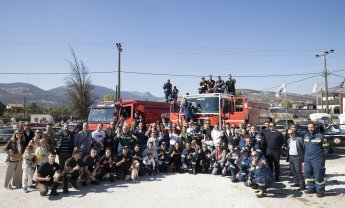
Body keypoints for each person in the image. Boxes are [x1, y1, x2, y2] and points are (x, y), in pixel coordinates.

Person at [303, 122, 327, 197]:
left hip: (318, 160)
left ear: (315, 127)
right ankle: (311, 188)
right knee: (308, 174)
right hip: (308, 159)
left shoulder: (321, 136)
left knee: (319, 175)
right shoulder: (306, 136)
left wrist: (321, 157)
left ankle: (320, 191)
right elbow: (304, 148)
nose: (310, 129)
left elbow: (326, 148)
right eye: (309, 127)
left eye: (312, 127)